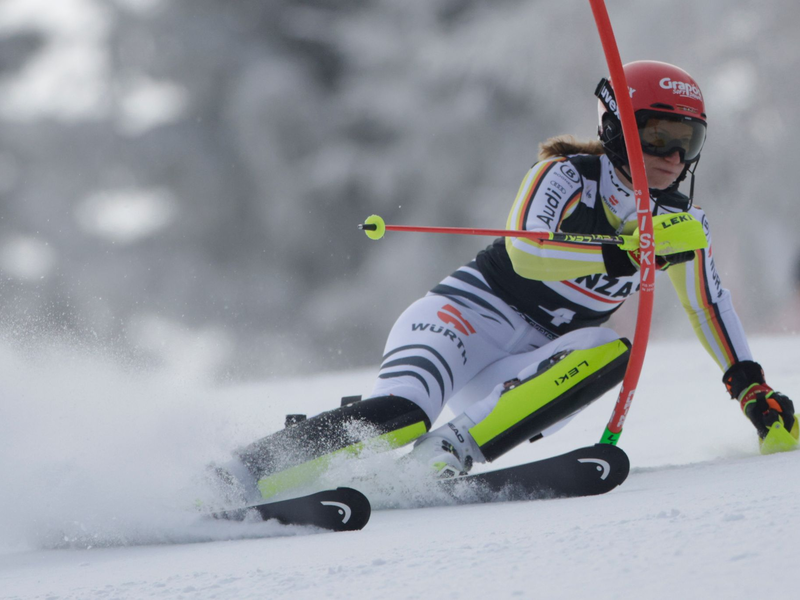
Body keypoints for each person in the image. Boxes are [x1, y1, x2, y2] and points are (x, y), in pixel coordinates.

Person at [219, 61, 797, 504]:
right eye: (656, 136)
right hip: (462, 321)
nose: (672, 155)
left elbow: (708, 307)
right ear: (617, 127)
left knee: (610, 351)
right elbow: (527, 253)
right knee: (403, 414)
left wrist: (752, 391)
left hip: (529, 365)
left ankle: (445, 455)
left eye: (687, 140)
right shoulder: (564, 176)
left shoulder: (681, 225)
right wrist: (620, 254)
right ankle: (237, 476)